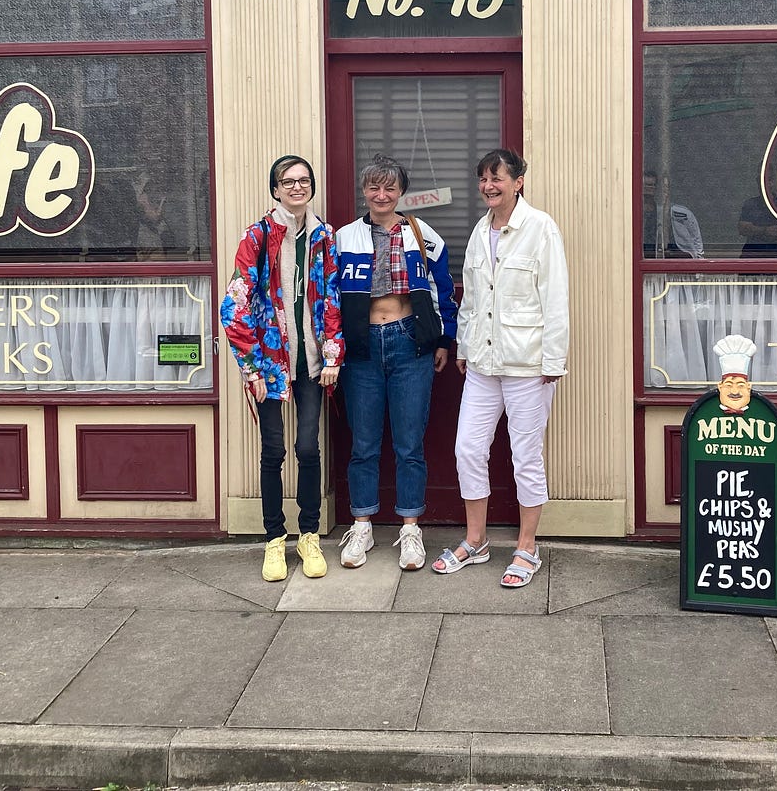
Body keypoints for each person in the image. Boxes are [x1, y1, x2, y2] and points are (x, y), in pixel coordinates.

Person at [433, 148, 569, 588]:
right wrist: (463, 346)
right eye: (483, 179)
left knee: (525, 456)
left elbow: (555, 298)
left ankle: (527, 547)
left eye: (498, 178)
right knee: (468, 449)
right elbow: (470, 299)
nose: (489, 186)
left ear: (518, 182)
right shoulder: (478, 231)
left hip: (528, 364)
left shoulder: (541, 228)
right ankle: (476, 541)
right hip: (483, 364)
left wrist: (554, 360)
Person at [221, 155, 344, 583]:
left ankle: (309, 535)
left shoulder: (324, 235)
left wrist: (331, 355)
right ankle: (274, 540)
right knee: (272, 452)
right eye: (287, 181)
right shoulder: (257, 236)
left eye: (303, 180)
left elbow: (332, 298)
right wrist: (251, 367)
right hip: (269, 364)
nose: (296, 187)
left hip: (310, 363)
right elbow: (235, 305)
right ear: (274, 189)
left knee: (308, 449)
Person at [333, 156, 458, 571]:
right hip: (361, 347)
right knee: (363, 443)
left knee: (409, 444)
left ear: (401, 192)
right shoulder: (343, 238)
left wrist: (444, 339)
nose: (381, 196)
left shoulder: (422, 234)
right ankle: (362, 524)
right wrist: (332, 347)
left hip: (410, 342)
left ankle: (410, 529)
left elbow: (443, 290)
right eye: (373, 188)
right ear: (364, 191)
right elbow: (328, 299)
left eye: (389, 188)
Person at [641, 169, 703, 258]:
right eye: (646, 186)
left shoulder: (682, 215)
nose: (650, 189)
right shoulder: (631, 215)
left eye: (653, 186)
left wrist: (698, 263)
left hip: (677, 263)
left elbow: (697, 246)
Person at [738, 194, 777, 258]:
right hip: (753, 250)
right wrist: (765, 230)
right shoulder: (751, 203)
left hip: (775, 250)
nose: (770, 185)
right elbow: (742, 228)